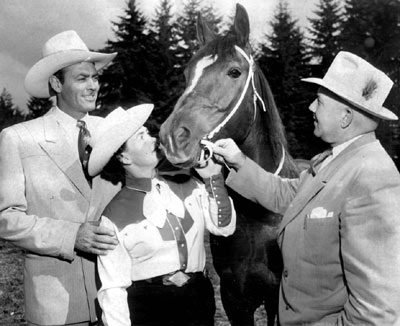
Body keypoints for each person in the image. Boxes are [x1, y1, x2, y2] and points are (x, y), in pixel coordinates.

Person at [211, 51, 400, 325]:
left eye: (319, 102)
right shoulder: (332, 161)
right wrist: (238, 160)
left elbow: (376, 310)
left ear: (346, 117)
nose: (311, 107)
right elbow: (287, 195)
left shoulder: (372, 176)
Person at [0, 30, 120, 326]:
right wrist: (71, 236)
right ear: (56, 83)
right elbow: (7, 218)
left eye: (95, 77)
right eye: (82, 78)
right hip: (57, 305)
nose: (93, 86)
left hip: (117, 296)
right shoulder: (19, 138)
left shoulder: (114, 131)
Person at [86, 104, 236, 326]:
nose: (153, 139)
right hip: (148, 310)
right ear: (124, 157)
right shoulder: (113, 217)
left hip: (198, 301)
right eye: (141, 137)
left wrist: (213, 178)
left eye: (148, 132)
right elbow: (113, 289)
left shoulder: (190, 184)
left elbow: (224, 227)